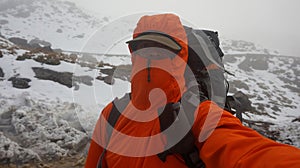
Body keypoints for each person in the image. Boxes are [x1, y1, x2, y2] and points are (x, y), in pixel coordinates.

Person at [85, 13, 300, 168]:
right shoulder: (113, 114)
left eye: (163, 50)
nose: (151, 58)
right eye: (143, 48)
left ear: (181, 58)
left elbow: (249, 152)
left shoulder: (199, 114)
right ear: (133, 54)